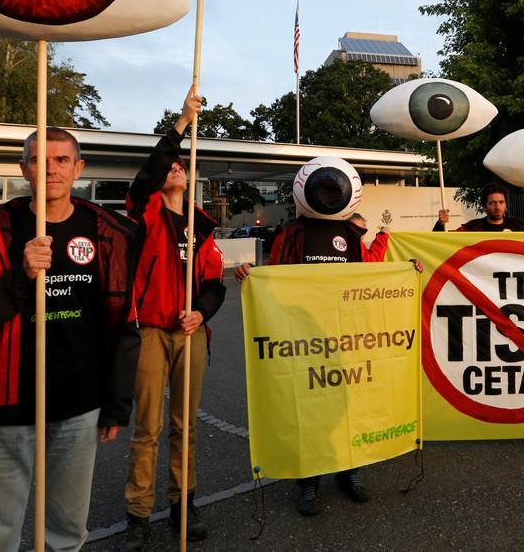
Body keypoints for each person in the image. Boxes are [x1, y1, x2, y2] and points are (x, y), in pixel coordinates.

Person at [0, 127, 138, 552]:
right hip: (4, 410)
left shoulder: (107, 232)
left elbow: (123, 325)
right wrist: (19, 279)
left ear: (79, 168)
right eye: (38, 160)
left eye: (62, 160)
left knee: (67, 534)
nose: (50, 169)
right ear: (23, 168)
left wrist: (117, 405)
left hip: (78, 410)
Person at [234, 156, 371, 517]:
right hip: (303, 339)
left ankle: (349, 471)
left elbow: (369, 279)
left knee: (345, 408)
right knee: (308, 410)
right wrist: (253, 277)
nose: (328, 195)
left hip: (344, 336)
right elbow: (275, 280)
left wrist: (408, 271)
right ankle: (308, 481)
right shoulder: (292, 234)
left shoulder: (352, 236)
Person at [122, 87, 227, 550]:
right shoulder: (143, 212)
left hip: (190, 333)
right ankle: (138, 513)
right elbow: (146, 175)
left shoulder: (201, 224)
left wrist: (201, 311)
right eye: (172, 166)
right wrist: (183, 123)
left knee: (186, 425)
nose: (176, 169)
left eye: (182, 166)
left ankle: (182, 502)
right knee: (147, 426)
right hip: (148, 331)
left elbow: (214, 282)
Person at [433, 182, 524, 232]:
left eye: (501, 202)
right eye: (492, 203)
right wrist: (441, 224)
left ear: (506, 205)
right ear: (484, 207)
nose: (497, 207)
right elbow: (443, 241)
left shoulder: (517, 226)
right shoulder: (472, 228)